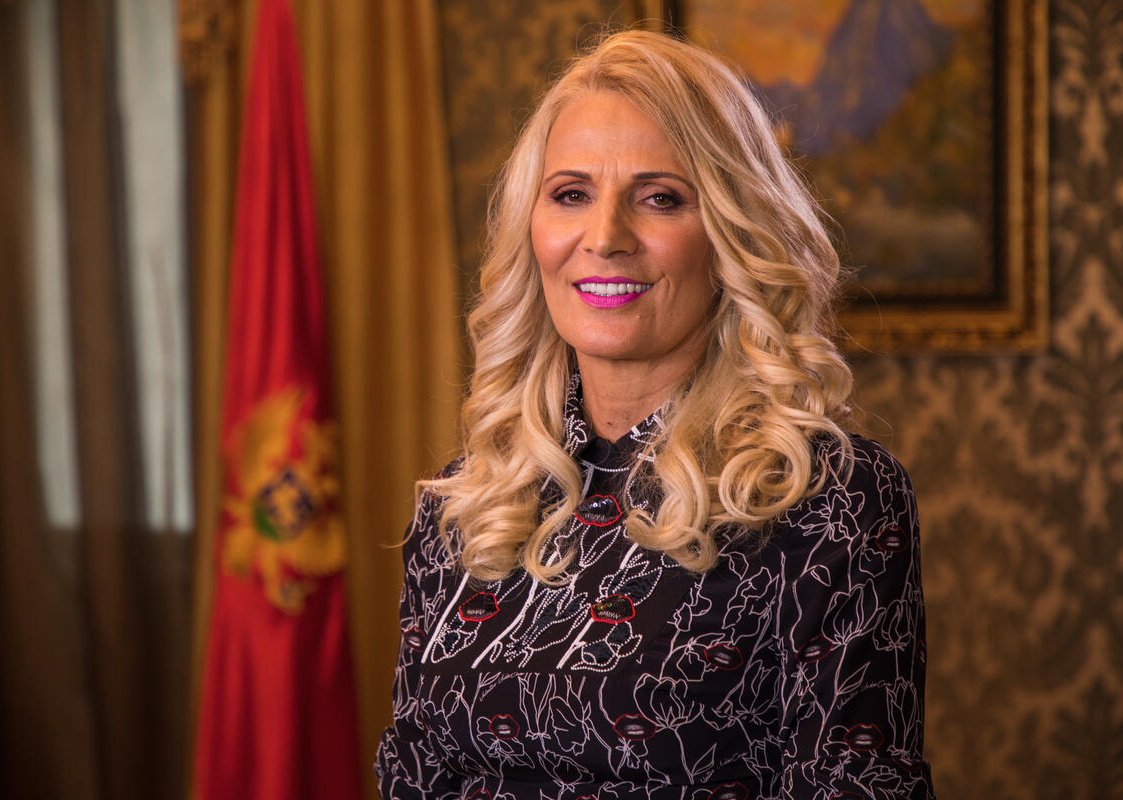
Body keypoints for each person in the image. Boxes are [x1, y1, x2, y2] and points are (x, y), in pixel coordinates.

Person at [375, 29, 935, 800]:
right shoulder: (466, 507)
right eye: (571, 194)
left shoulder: (831, 501)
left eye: (659, 198)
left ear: (731, 235)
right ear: (531, 230)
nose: (605, 238)